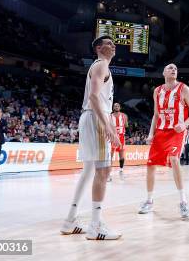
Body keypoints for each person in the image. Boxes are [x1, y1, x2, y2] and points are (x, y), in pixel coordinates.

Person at [60, 35, 122, 240]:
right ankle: (96, 226)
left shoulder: (101, 66)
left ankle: (70, 220)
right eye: (108, 43)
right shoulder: (101, 64)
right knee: (103, 171)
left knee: (88, 172)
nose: (112, 45)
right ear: (97, 48)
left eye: (114, 44)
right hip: (95, 118)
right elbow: (94, 97)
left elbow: (102, 100)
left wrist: (110, 123)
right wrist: (107, 125)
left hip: (91, 117)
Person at [138, 63, 189, 217]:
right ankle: (149, 200)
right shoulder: (157, 91)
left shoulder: (183, 88)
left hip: (176, 131)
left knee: (174, 159)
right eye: (170, 68)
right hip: (160, 132)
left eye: (176, 69)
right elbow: (156, 115)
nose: (173, 69)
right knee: (150, 165)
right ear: (164, 72)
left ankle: (183, 202)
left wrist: (184, 124)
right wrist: (151, 134)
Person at [108, 102, 128, 181]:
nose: (116, 107)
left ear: (120, 107)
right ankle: (109, 171)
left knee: (121, 154)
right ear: (113, 108)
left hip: (121, 136)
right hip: (113, 136)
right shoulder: (110, 116)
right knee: (111, 154)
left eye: (118, 106)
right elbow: (108, 125)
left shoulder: (124, 116)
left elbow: (126, 125)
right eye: (115, 106)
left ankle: (121, 169)